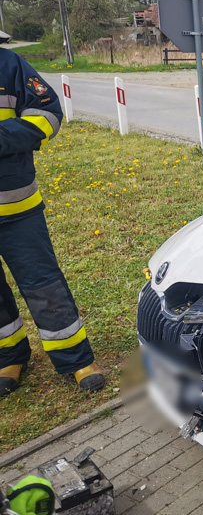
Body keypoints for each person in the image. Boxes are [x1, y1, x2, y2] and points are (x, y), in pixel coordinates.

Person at [0, 48, 105, 395]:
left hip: (16, 209)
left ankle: (75, 359)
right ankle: (8, 357)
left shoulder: (9, 65)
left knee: (43, 285)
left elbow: (47, 114)